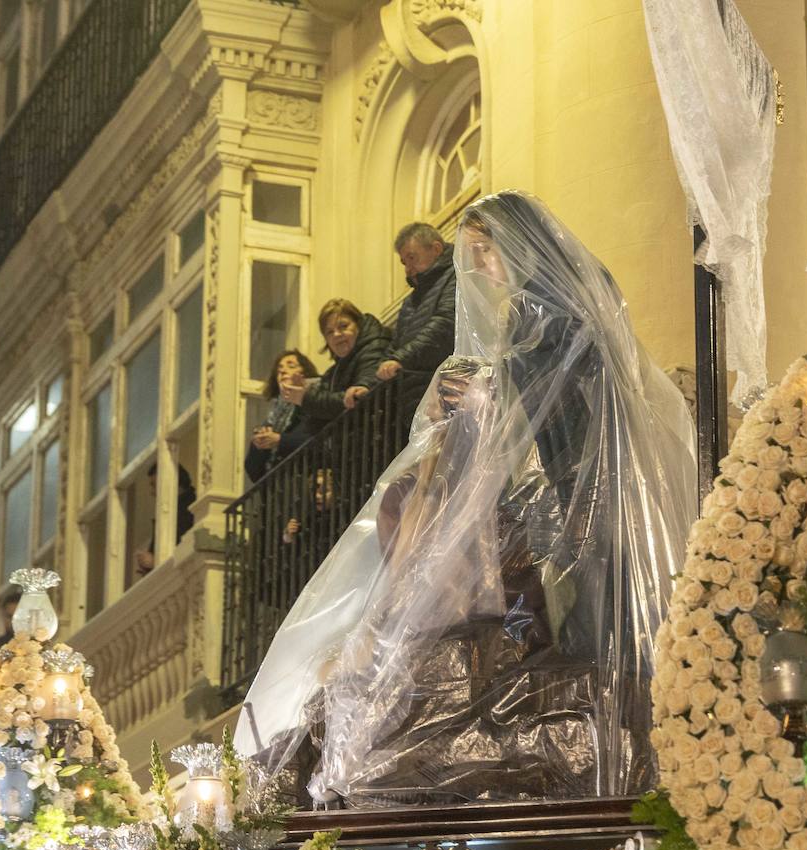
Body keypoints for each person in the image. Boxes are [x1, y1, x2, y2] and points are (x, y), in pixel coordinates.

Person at [237, 191, 697, 806]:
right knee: (412, 496)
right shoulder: (524, 319)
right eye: (473, 255)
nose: (480, 268)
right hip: (542, 491)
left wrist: (488, 388)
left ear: (519, 245)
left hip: (577, 490)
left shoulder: (565, 306)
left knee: (589, 615)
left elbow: (562, 383)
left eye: (486, 251)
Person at [377, 222, 458, 423]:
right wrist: (371, 380)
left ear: (436, 249)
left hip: (442, 392)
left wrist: (400, 360)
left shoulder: (456, 277)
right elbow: (397, 344)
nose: (408, 268)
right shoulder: (411, 299)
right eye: (404, 262)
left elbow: (445, 324)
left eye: (412, 258)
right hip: (416, 396)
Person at [281, 299, 390, 431]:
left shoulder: (375, 347)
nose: (336, 334)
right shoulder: (334, 371)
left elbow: (358, 397)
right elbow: (314, 426)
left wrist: (306, 398)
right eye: (329, 332)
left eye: (343, 326)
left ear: (358, 325)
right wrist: (304, 396)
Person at [246, 350, 319, 484]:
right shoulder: (273, 415)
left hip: (305, 483)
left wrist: (280, 440)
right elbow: (253, 470)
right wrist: (260, 445)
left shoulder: (315, 402)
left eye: (291, 366)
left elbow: (319, 441)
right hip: (278, 491)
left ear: (305, 373)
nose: (283, 371)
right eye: (279, 369)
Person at [133, 462, 197, 577]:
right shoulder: (178, 510)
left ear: (170, 482)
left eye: (154, 485)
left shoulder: (188, 510)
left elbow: (185, 550)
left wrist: (155, 562)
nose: (152, 492)